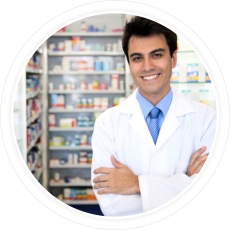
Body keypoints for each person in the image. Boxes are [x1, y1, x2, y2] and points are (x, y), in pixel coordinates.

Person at [91, 16, 216, 216]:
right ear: (129, 64)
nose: (147, 66)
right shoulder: (107, 123)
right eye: (137, 58)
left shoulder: (207, 120)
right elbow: (112, 205)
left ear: (173, 58)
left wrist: (136, 184)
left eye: (156, 55)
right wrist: (186, 182)